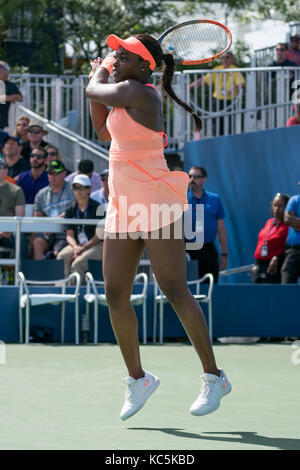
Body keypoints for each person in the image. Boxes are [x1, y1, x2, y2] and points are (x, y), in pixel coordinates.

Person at [86, 33, 231, 421]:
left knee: (173, 288)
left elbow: (93, 88)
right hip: (122, 202)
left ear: (142, 66)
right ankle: (138, 379)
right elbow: (102, 129)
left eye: (122, 55)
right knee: (115, 291)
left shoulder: (142, 94)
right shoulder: (123, 94)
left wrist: (98, 71)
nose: (114, 59)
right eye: (114, 55)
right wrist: (96, 88)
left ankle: (214, 377)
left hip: (154, 198)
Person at [57, 174, 103, 283]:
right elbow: (69, 235)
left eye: (82, 187)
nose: (79, 191)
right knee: (62, 256)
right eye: (76, 187)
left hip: (98, 245)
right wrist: (76, 247)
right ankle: (61, 291)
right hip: (78, 245)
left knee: (78, 262)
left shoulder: (99, 208)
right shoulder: (70, 210)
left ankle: (75, 296)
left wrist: (83, 249)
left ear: (89, 189)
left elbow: (99, 236)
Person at [186, 166, 228, 283]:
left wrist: (224, 254)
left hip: (207, 250)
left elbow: (221, 229)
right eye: (190, 176)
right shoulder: (181, 199)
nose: (192, 179)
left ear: (204, 179)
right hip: (187, 250)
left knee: (209, 287)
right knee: (188, 288)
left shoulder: (214, 199)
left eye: (196, 177)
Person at [190, 52, 245, 135]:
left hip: (230, 101)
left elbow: (243, 84)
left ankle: (228, 139)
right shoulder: (217, 69)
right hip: (217, 100)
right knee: (217, 123)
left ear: (232, 60)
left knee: (230, 123)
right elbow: (204, 80)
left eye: (227, 57)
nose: (225, 59)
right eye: (223, 57)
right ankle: (217, 138)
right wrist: (189, 86)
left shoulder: (235, 70)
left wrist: (234, 87)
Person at [32, 160, 76, 260]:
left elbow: (73, 210)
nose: (52, 176)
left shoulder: (73, 189)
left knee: (57, 252)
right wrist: (46, 228)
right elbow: (37, 217)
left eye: (56, 173)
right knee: (37, 243)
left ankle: (57, 271)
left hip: (66, 232)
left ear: (64, 173)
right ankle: (38, 273)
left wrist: (53, 224)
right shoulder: (41, 194)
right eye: (50, 173)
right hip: (48, 233)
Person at [252, 193, 290, 284]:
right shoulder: (269, 222)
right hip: (260, 265)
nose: (277, 209)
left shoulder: (288, 226)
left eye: (280, 206)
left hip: (274, 267)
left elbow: (289, 249)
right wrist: (256, 264)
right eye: (275, 205)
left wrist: (277, 258)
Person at [0, 158, 25, 254]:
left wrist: (7, 231)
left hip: (9, 231)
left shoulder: (16, 190)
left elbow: (20, 218)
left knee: (20, 238)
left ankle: (22, 268)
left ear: (6, 170)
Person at [281, 184, 300, 284]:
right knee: (287, 284)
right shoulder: (294, 200)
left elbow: (292, 221)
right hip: (293, 251)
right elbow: (287, 219)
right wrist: (291, 221)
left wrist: (296, 224)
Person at [0, 61, 23, 131]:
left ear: (7, 72)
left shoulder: (10, 85)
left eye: (2, 68)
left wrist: (3, 98)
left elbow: (20, 98)